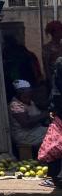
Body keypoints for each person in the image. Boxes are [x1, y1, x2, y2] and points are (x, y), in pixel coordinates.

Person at [39, 57, 62, 188]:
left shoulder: (60, 63)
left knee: (56, 144)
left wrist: (53, 108)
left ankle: (56, 177)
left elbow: (57, 90)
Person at [8, 80, 48, 147]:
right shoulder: (15, 105)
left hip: (35, 130)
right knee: (54, 133)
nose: (28, 96)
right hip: (24, 135)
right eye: (25, 94)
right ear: (18, 94)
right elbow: (26, 123)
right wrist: (45, 115)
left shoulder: (29, 101)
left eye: (29, 93)